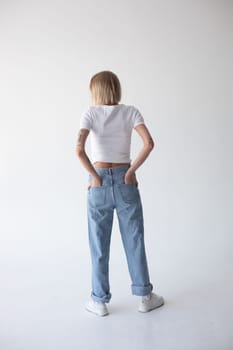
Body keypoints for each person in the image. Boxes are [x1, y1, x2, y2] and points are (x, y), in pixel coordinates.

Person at [76, 70, 164, 316]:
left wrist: (94, 177)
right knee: (134, 240)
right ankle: (145, 296)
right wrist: (130, 171)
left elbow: (79, 149)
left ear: (95, 90)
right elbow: (149, 143)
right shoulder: (130, 112)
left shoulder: (90, 113)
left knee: (99, 245)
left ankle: (99, 301)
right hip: (126, 182)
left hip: (99, 184)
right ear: (116, 88)